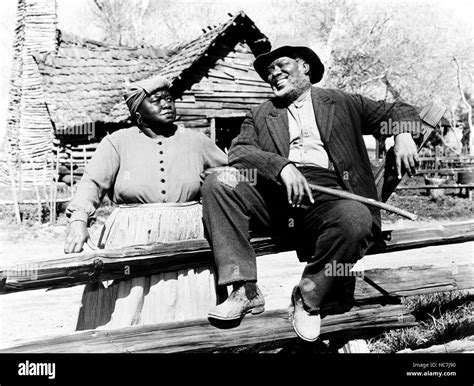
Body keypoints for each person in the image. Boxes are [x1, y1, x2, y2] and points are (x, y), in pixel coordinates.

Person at [201, 37, 420, 342]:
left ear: (304, 67)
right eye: (268, 71)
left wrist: (403, 136)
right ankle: (244, 289)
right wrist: (280, 166)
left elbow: (400, 109)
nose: (272, 73)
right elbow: (239, 151)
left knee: (356, 219)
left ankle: (307, 297)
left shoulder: (342, 102)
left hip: (329, 196)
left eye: (281, 65)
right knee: (219, 180)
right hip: (275, 195)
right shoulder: (261, 113)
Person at [64, 75, 227, 329]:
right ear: (138, 113)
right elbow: (92, 183)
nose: (167, 104)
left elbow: (233, 175)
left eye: (169, 99)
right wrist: (79, 220)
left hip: (189, 233)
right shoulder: (116, 142)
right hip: (132, 233)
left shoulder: (197, 141)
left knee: (188, 305)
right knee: (129, 305)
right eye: (156, 100)